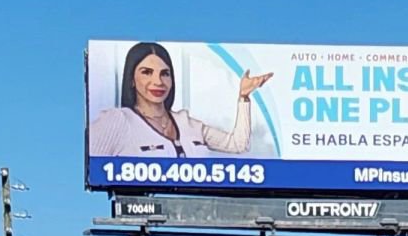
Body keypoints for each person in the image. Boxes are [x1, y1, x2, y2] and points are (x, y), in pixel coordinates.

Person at [87, 41, 272, 160]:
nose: (158, 82)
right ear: (131, 79)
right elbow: (93, 164)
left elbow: (238, 144)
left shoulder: (187, 123)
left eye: (165, 74)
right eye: (146, 72)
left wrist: (244, 97)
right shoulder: (118, 121)